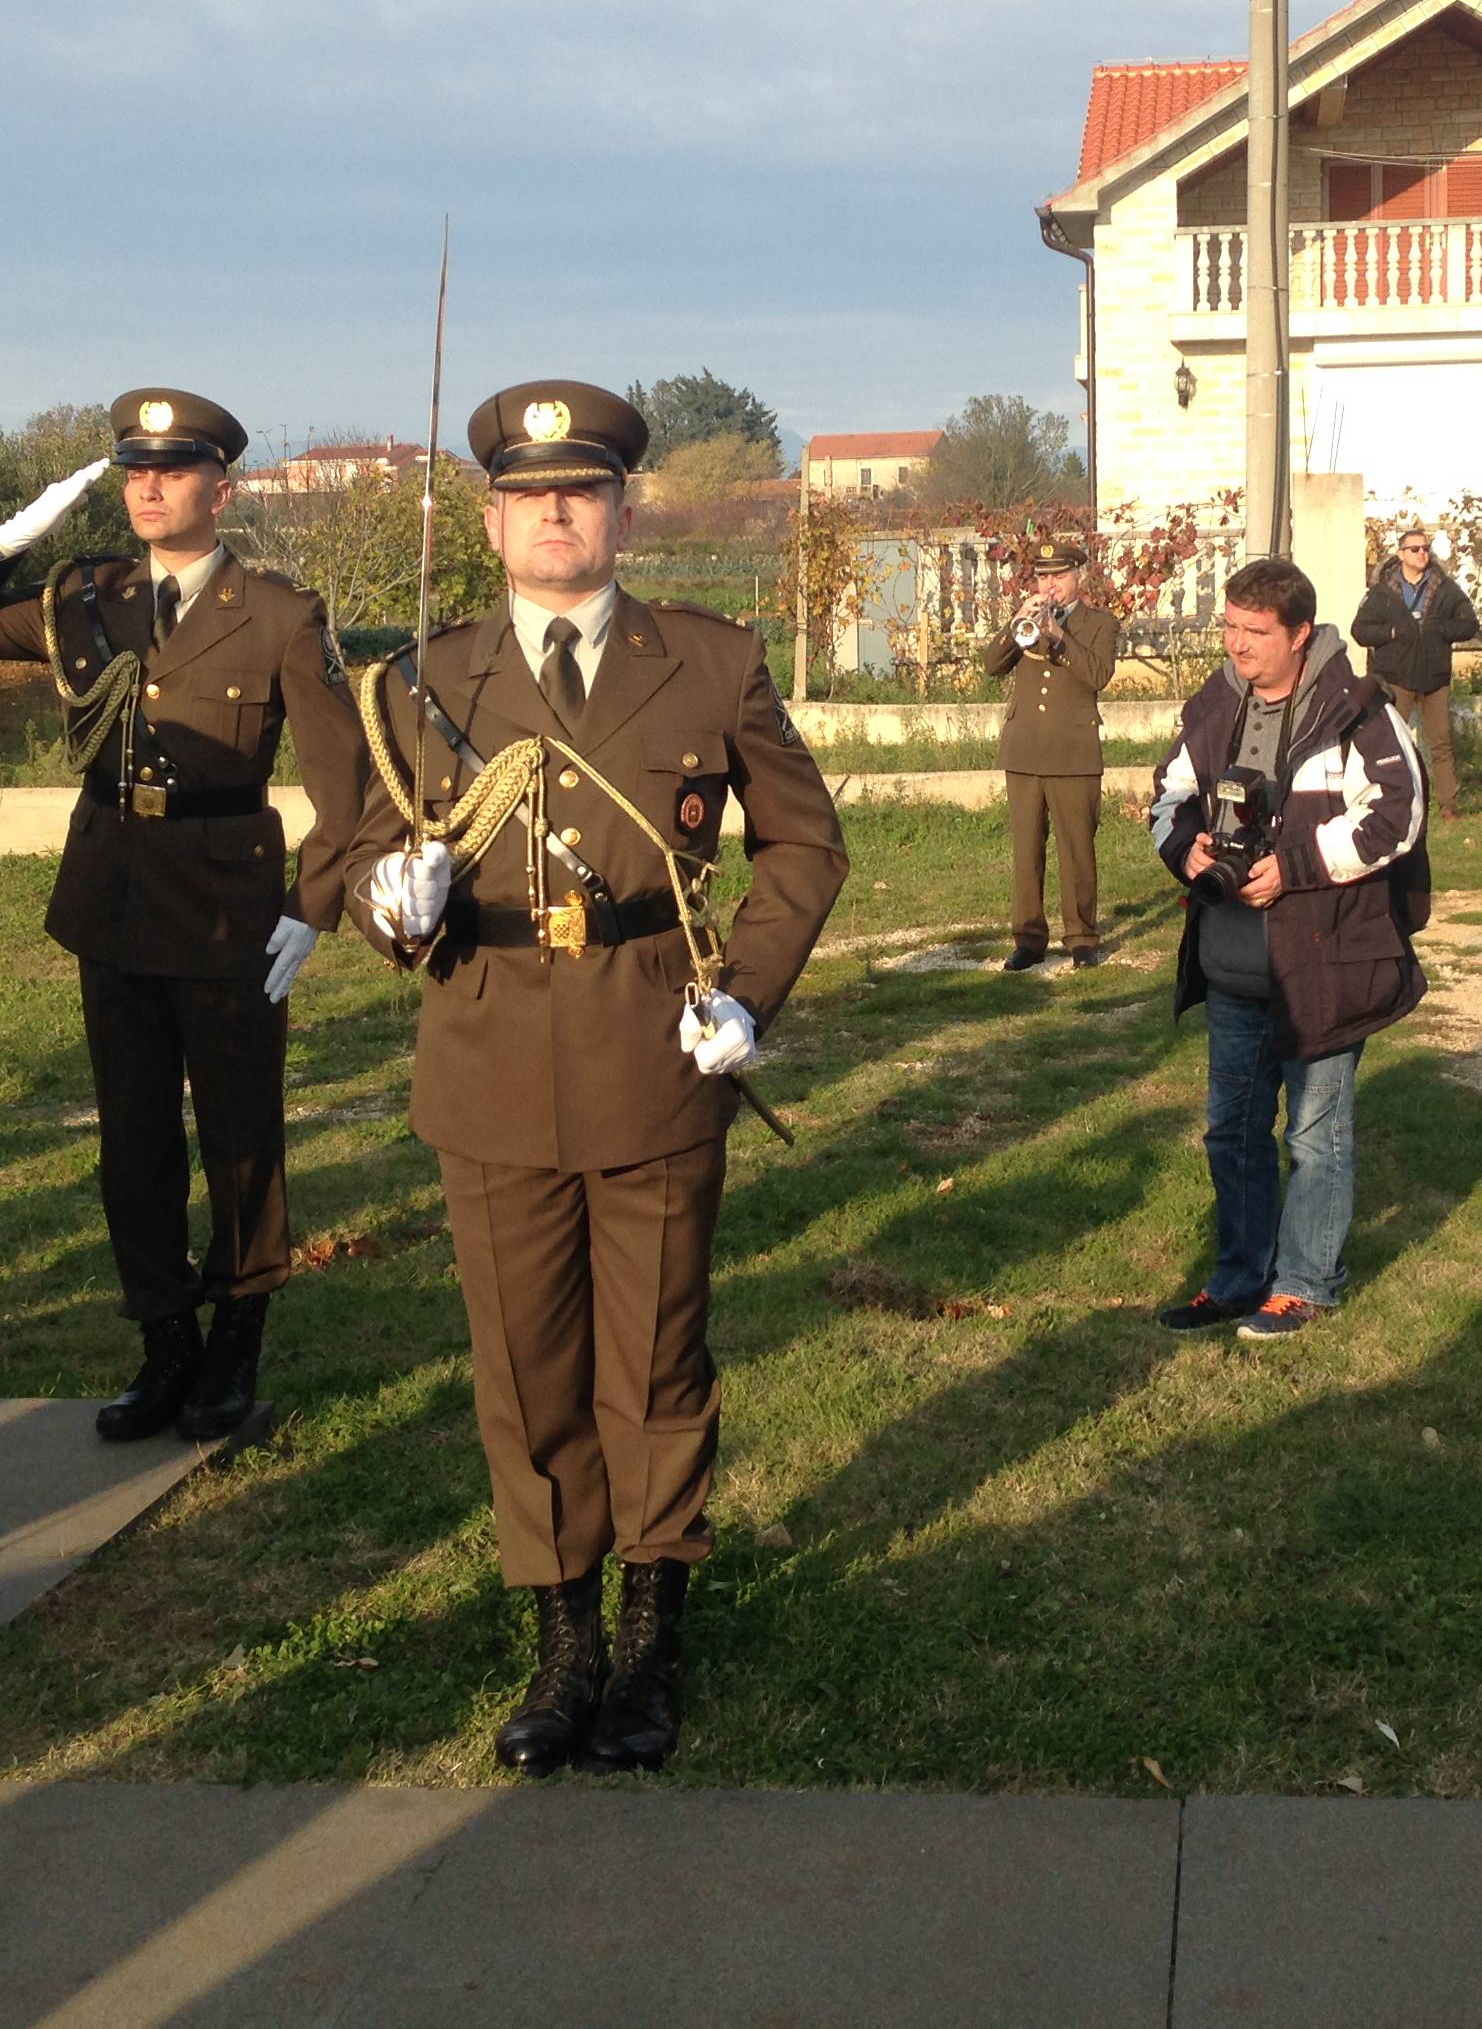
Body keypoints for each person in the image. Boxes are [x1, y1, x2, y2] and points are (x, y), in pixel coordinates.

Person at [346, 380, 847, 1777]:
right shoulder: (421, 684)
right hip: (492, 1054)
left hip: (651, 1053)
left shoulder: (710, 662)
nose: (555, 512)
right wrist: (394, 897)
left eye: (582, 490)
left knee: (655, 1358)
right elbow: (350, 863)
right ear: (492, 518)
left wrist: (745, 991)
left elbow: (801, 846)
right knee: (526, 1368)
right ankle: (563, 1638)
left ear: (624, 510)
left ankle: (650, 1633)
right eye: (528, 493)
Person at [0, 389, 368, 1441]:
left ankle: (236, 1344)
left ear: (223, 486)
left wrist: (314, 901)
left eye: (172, 469)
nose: (147, 488)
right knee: (134, 1135)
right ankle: (165, 1342)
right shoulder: (81, 595)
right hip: (112, 896)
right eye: (133, 470)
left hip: (228, 909)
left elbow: (351, 790)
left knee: (241, 1132)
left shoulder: (281, 614)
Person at [1149, 556, 1428, 1341]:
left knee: (1314, 1132)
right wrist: (1187, 851)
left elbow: (1396, 817)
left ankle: (1306, 1282)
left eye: (1255, 632)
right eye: (1230, 627)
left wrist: (1296, 867)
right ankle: (1239, 1277)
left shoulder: (1361, 711)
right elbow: (1166, 796)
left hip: (1324, 958)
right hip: (1234, 957)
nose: (1237, 645)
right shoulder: (1213, 705)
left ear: (1301, 634)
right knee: (1232, 1128)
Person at [980, 536, 1119, 970]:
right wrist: (1016, 623)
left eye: (1058, 576)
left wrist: (1059, 637)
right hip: (1024, 750)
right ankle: (1028, 937)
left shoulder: (1099, 623)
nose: (1050, 585)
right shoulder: (1026, 620)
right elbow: (990, 664)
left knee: (1077, 849)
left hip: (1073, 750)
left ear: (1079, 576)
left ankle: (1081, 936)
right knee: (1027, 850)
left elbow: (1098, 675)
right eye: (1043, 577)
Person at [1349, 524, 1480, 818]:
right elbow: (1360, 631)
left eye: (1425, 549)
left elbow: (1470, 623)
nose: (1422, 554)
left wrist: (1441, 629)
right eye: (1415, 549)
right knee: (1392, 744)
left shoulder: (1445, 589)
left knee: (1441, 743)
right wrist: (1392, 632)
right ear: (1401, 554)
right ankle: (1391, 803)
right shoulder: (1382, 593)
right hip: (1397, 679)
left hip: (1435, 679)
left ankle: (1450, 807)